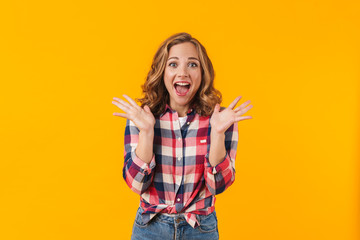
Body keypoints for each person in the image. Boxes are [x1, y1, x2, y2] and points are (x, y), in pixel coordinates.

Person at [112, 32, 253, 240]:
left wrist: (217, 133)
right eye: (173, 64)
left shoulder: (221, 120)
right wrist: (147, 132)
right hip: (150, 228)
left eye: (193, 65)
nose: (183, 72)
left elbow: (218, 186)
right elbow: (137, 184)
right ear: (162, 71)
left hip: (200, 228)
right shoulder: (142, 118)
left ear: (203, 73)